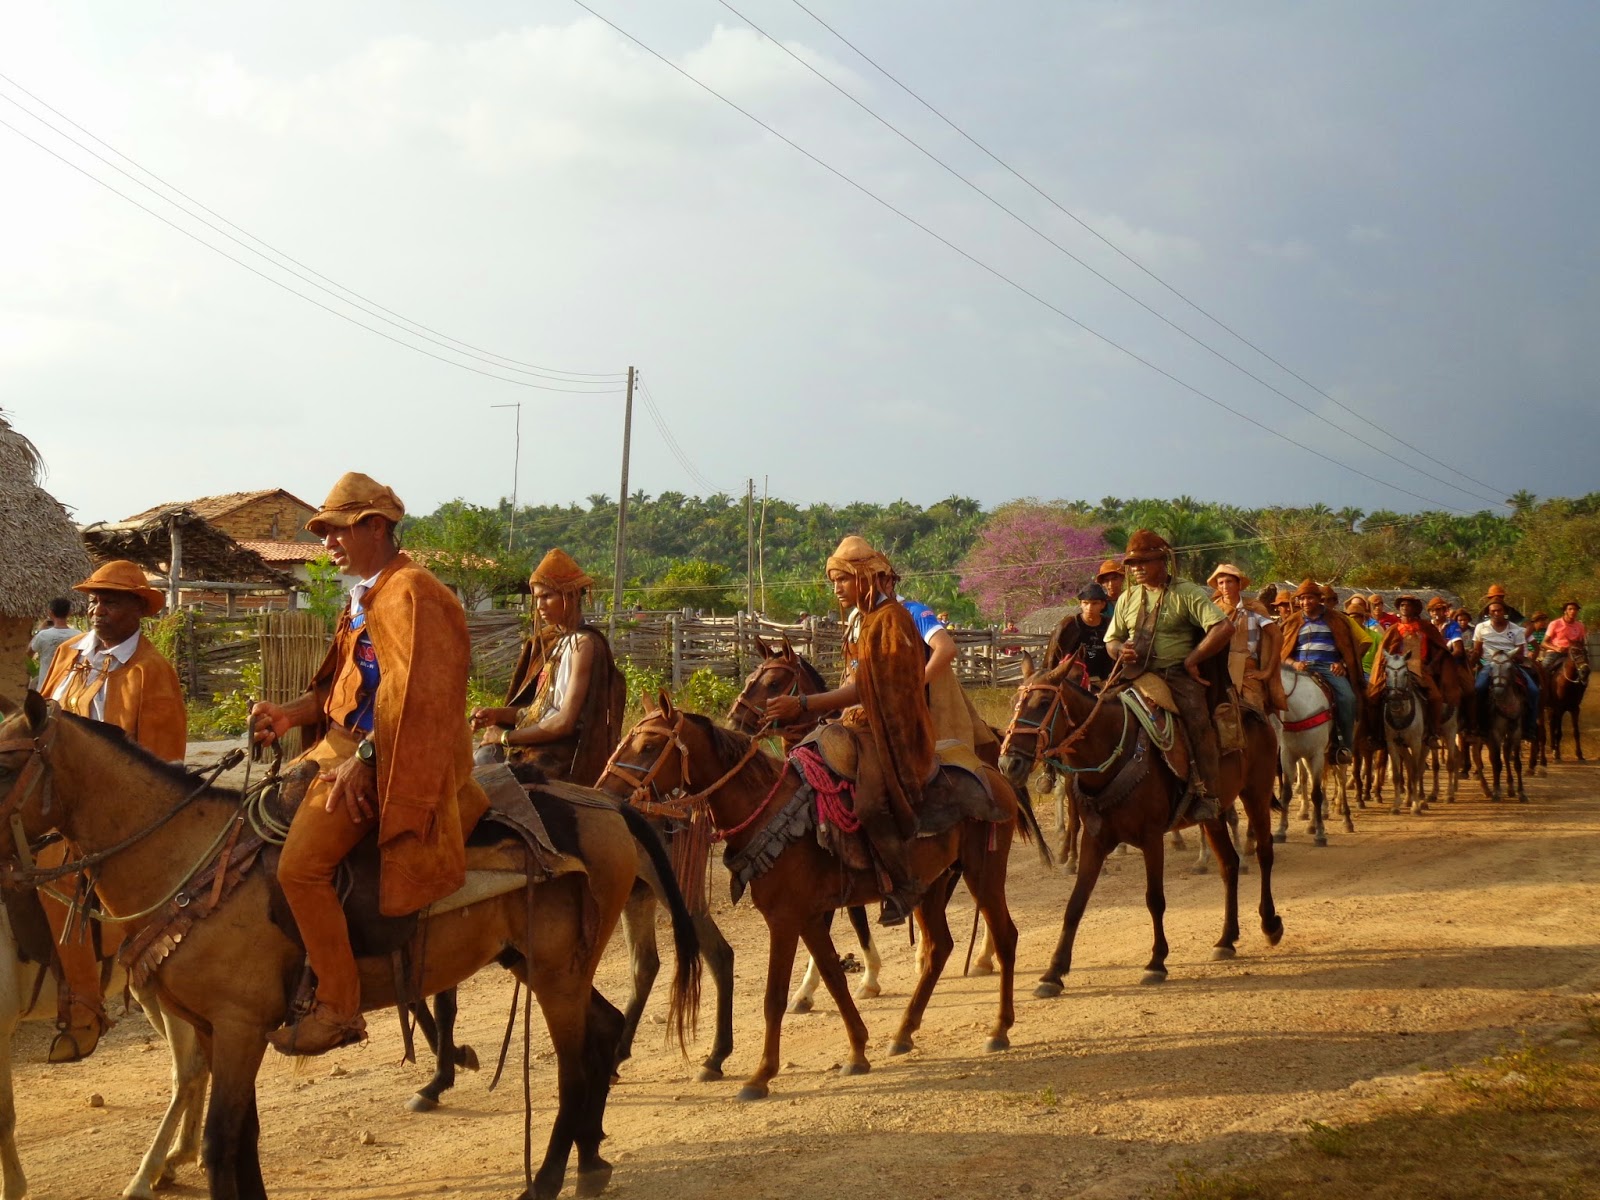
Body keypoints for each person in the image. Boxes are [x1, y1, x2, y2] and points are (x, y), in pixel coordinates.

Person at [250, 473, 488, 1055]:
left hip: (394, 759)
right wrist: (287, 714)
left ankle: (338, 1004)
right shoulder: (368, 599)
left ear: (376, 527)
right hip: (343, 746)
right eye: (325, 531)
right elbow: (345, 692)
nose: (327, 542)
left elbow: (420, 702)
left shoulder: (415, 593)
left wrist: (367, 758)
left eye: (337, 529)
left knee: (299, 869)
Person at [36, 560, 185, 1061]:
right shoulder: (66, 653)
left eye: (113, 602)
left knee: (52, 871)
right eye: (96, 601)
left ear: (139, 610)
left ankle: (84, 1005)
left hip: (111, 816)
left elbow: (164, 770)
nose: (99, 611)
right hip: (47, 795)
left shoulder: (152, 672)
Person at [764, 536, 936, 925]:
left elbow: (867, 688)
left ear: (863, 578)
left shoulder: (891, 619)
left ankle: (904, 884)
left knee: (869, 804)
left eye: (842, 579)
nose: (836, 588)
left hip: (890, 731)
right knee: (804, 765)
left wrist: (804, 705)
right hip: (858, 723)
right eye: (834, 581)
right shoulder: (865, 620)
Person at [1104, 530, 1232, 823]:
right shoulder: (1127, 597)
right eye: (1132, 564)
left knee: (1198, 721)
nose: (1136, 568)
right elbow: (1111, 640)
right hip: (1135, 674)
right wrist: (1119, 650)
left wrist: (1192, 659)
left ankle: (1207, 795)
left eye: (1144, 562)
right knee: (1099, 709)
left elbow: (1223, 628)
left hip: (1176, 674)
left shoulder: (1187, 592)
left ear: (1163, 561)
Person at [471, 549, 624, 786]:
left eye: (547, 596)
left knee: (488, 770)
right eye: (537, 598)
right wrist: (497, 714)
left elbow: (563, 723)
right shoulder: (550, 641)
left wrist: (504, 736)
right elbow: (540, 712)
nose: (540, 605)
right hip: (536, 743)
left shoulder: (584, 645)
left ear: (571, 595)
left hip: (560, 754)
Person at [1278, 578, 1362, 763]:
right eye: (1302, 599)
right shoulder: (1293, 621)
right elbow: (1282, 653)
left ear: (1318, 599)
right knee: (1276, 696)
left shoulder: (1337, 619)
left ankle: (1344, 746)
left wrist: (1342, 663)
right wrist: (1294, 664)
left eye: (1309, 598)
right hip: (1300, 670)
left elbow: (1350, 649)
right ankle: (1277, 747)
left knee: (1348, 699)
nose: (1305, 602)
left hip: (1329, 668)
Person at [1366, 595, 1455, 748]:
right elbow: (1383, 653)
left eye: (1408, 605)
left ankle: (1432, 733)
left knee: (1436, 697)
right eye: (1402, 605)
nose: (1404, 608)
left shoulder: (1426, 627)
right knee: (1373, 696)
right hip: (1396, 669)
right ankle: (1376, 735)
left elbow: (1441, 648)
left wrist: (1432, 665)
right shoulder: (1394, 629)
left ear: (1415, 608)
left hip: (1420, 669)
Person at [1207, 564, 1286, 714]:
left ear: (1239, 584)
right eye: (1221, 582)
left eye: (1229, 581)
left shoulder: (1253, 608)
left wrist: (1267, 671)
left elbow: (1277, 636)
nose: (1225, 586)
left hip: (1247, 668)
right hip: (1217, 668)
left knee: (1255, 711)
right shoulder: (1212, 610)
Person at [1471, 598, 1540, 742]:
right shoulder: (1481, 628)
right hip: (1490, 664)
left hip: (1510, 664)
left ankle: (1530, 727)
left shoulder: (1516, 629)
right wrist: (1472, 663)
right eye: (1493, 611)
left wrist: (1511, 659)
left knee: (1534, 691)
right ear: (1489, 613)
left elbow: (1521, 652)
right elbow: (1477, 650)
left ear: (1505, 612)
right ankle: (1479, 727)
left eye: (1499, 610)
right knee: (1478, 688)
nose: (1496, 613)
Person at [1045, 582, 1116, 688]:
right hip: (1072, 685)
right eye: (1085, 603)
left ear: (1103, 604)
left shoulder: (1110, 625)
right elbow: (1052, 658)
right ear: (1081, 604)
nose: (1089, 607)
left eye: (1094, 603)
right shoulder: (1068, 626)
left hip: (1105, 683)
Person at [28, 597, 77, 691]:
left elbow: (29, 653)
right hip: (69, 689)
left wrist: (40, 630)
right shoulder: (79, 636)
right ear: (70, 613)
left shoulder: (43, 635)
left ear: (50, 613)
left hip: (45, 688)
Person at [1542, 601, 1588, 674]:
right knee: (1543, 669)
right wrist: (1556, 648)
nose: (1573, 611)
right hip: (1555, 653)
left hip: (1574, 654)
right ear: (1565, 611)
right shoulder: (1555, 624)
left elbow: (1582, 643)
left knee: (1585, 669)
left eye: (1575, 609)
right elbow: (1544, 643)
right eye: (1570, 609)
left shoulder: (1580, 626)